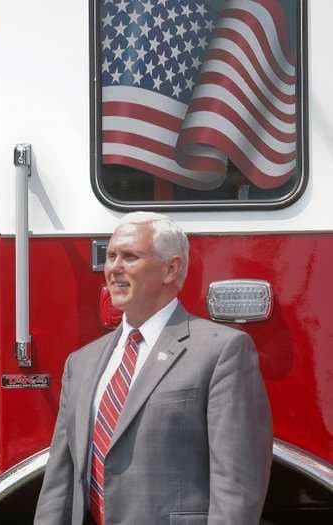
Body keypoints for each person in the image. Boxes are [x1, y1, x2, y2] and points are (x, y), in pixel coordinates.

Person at [34, 212, 272, 525]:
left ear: (171, 269)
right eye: (111, 256)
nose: (114, 268)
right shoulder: (80, 362)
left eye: (130, 257)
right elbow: (59, 482)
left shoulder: (222, 352)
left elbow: (236, 485)